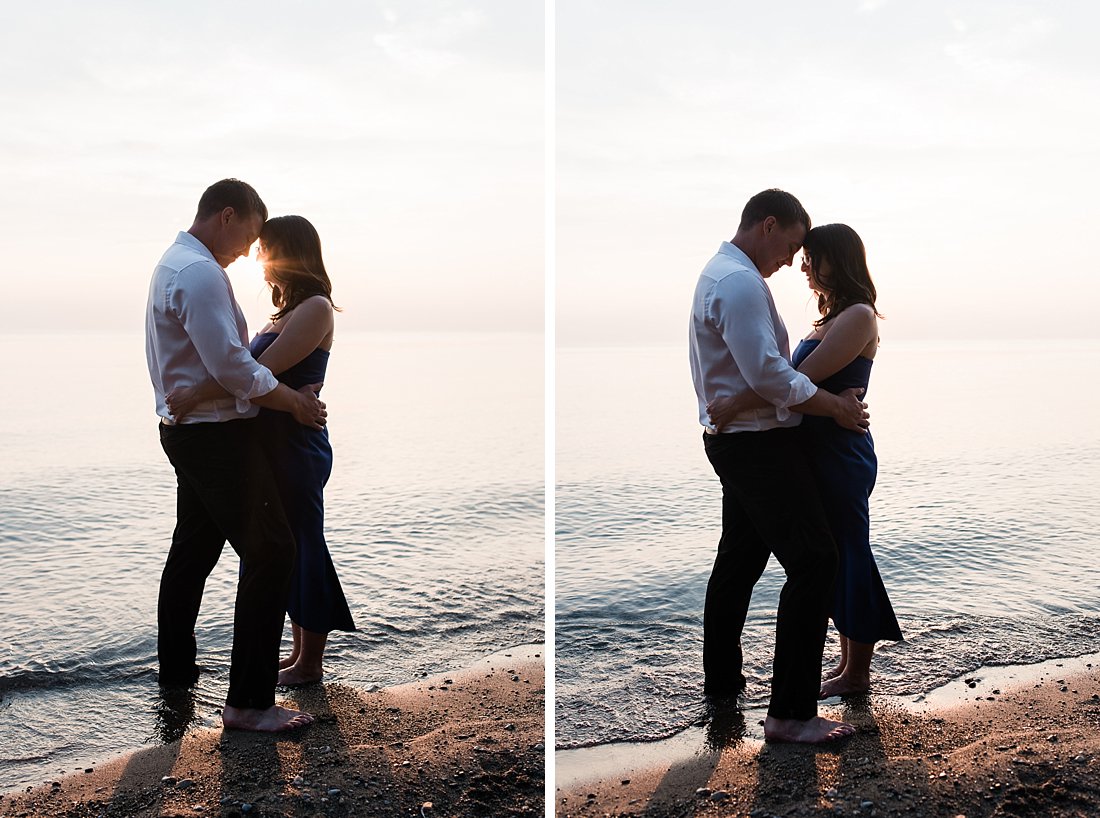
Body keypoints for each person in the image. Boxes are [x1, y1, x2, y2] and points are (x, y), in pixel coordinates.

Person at [688, 189, 869, 744]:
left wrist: (744, 401)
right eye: (791, 246)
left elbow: (757, 377)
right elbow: (771, 375)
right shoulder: (740, 283)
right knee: (815, 561)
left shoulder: (723, 275)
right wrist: (837, 405)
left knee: (738, 564)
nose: (793, 260)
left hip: (741, 439)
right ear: (767, 225)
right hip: (758, 446)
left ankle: (722, 686)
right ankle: (790, 713)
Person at [145, 179, 325, 732]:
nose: (252, 249)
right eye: (251, 233)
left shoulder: (175, 264)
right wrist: (294, 401)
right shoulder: (199, 274)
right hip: (216, 438)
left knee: (192, 556)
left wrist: (205, 393)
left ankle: (176, 678)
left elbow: (222, 367)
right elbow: (234, 367)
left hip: (193, 430)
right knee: (272, 551)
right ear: (228, 215)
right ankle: (248, 702)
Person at [712, 224, 901, 697]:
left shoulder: (858, 315)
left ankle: (857, 673)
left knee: (848, 553)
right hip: (813, 448)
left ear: (840, 259)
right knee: (830, 555)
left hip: (839, 452)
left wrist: (736, 402)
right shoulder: (826, 320)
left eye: (813, 257)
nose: (803, 266)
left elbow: (799, 378)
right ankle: (843, 667)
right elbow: (791, 384)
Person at [168, 215, 355, 687]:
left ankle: (310, 662)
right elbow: (247, 370)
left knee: (303, 544)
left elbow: (259, 370)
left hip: (295, 443)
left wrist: (196, 393)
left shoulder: (315, 308)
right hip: (269, 439)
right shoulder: (283, 313)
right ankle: (295, 655)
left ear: (291, 253)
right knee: (285, 546)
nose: (259, 260)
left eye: (266, 251)